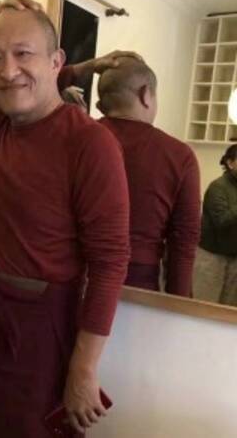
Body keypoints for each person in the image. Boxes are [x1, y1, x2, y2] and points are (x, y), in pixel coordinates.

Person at [0, 0, 130, 437]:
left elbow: (110, 262)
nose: (8, 71)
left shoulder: (91, 143)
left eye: (23, 53)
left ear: (57, 62)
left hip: (41, 333)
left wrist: (83, 370)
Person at [59, 56, 201, 297]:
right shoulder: (179, 156)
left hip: (68, 276)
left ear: (101, 105)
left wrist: (83, 68)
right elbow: (183, 244)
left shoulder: (74, 140)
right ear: (146, 94)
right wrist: (178, 307)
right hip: (137, 284)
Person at [193, 144, 237, 305]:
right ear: (230, 163)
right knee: (204, 305)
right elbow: (222, 220)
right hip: (212, 257)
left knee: (227, 310)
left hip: (234, 258)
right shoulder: (217, 187)